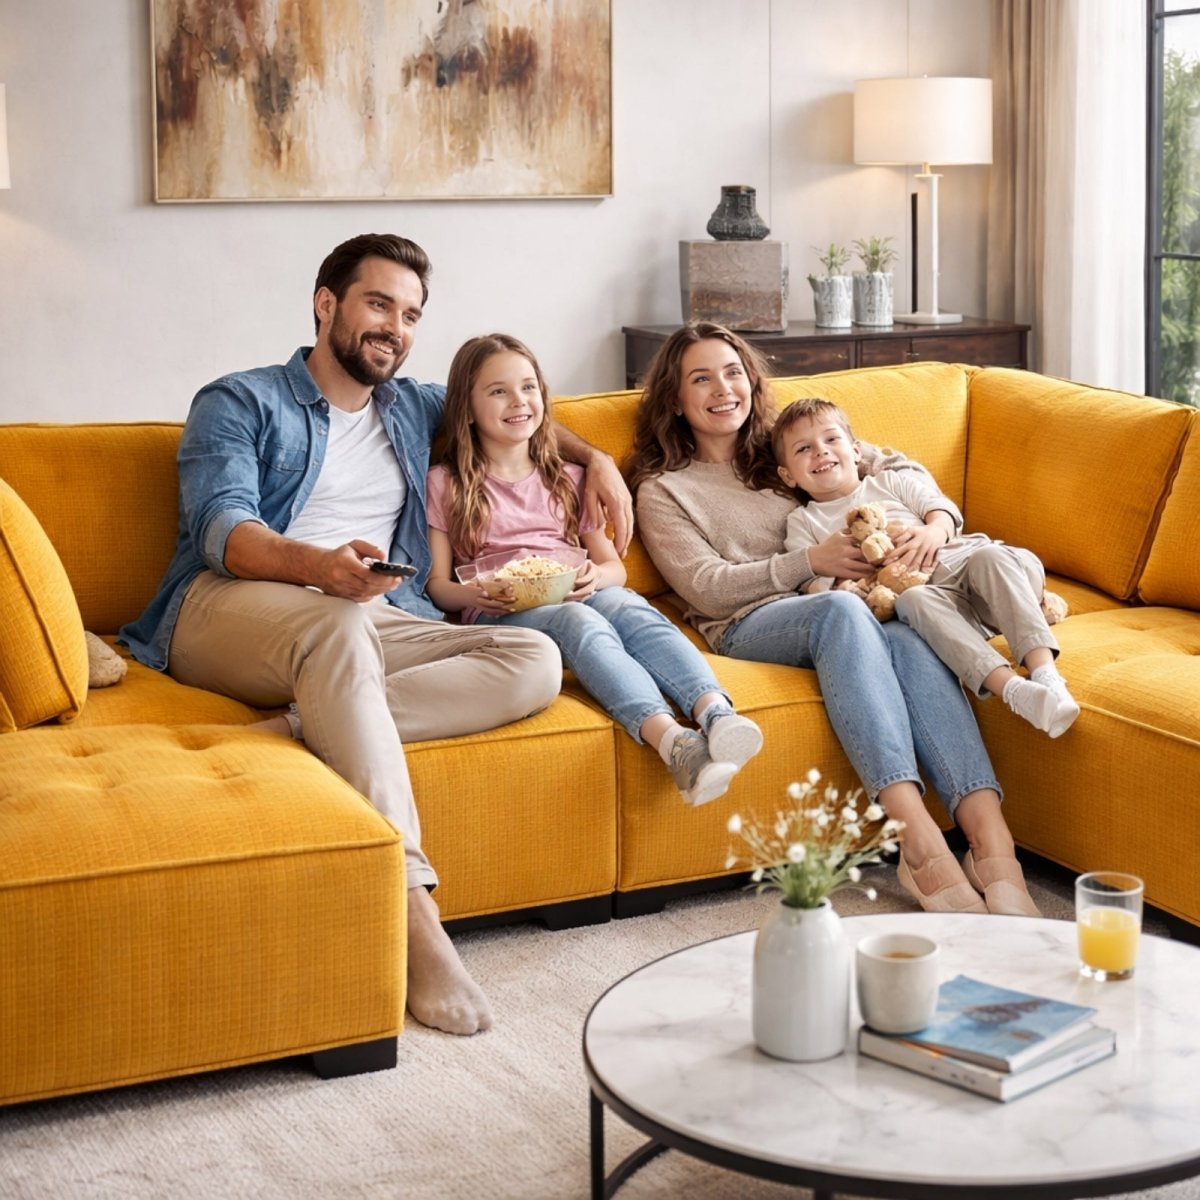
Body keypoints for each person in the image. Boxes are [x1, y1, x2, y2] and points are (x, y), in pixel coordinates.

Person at [119, 234, 634, 1036]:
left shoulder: (412, 405)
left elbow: (510, 413)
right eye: (378, 304)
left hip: (375, 616)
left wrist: (595, 457)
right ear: (327, 304)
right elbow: (223, 528)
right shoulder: (239, 400)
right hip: (228, 606)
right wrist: (317, 566)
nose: (395, 326)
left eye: (412, 313)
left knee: (535, 654)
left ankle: (303, 726)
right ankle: (416, 913)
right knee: (334, 623)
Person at [625, 320, 1040, 918]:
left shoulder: (785, 441)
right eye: (701, 378)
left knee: (908, 629)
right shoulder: (665, 489)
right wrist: (808, 562)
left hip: (861, 601)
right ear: (675, 398)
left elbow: (896, 464)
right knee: (846, 610)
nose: (724, 389)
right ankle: (919, 842)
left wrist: (938, 524)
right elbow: (705, 588)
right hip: (752, 619)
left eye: (734, 372)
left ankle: (992, 844)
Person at [424, 333, 764, 806]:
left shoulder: (569, 477)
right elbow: (438, 586)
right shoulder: (446, 483)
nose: (518, 401)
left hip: (574, 590)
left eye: (529, 387)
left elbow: (612, 567)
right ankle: (674, 742)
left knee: (633, 609)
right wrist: (475, 596)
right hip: (503, 613)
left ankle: (715, 714)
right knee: (578, 620)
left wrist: (596, 578)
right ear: (466, 405)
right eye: (498, 391)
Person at [773, 397, 1079, 738]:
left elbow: (941, 509)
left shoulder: (889, 481)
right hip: (944, 605)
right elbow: (809, 580)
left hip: (982, 570)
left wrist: (934, 531)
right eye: (803, 449)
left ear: (856, 451)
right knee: (911, 601)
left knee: (988, 558)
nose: (821, 452)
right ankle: (1014, 692)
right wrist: (846, 585)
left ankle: (1045, 673)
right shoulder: (803, 521)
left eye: (831, 440)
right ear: (788, 476)